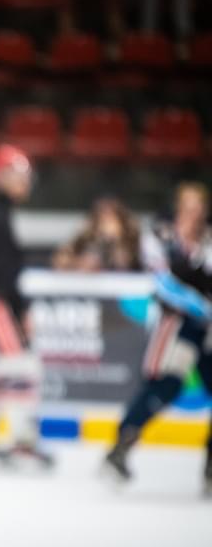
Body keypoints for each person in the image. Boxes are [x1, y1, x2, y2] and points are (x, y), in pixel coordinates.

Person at [103, 181, 212, 496]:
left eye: (198, 205)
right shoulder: (161, 235)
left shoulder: (207, 238)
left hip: (207, 328)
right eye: (187, 205)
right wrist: (201, 305)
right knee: (164, 383)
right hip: (176, 323)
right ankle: (122, 445)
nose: (193, 212)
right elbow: (162, 281)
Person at [0, 145, 53, 468]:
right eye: (18, 176)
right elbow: (2, 272)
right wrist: (19, 310)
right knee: (22, 368)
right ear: (0, 176)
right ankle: (22, 445)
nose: (25, 182)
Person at [52, 196, 142, 272]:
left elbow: (123, 263)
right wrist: (78, 262)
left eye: (110, 219)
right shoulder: (84, 238)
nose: (105, 224)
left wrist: (115, 240)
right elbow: (61, 260)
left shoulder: (130, 240)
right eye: (101, 219)